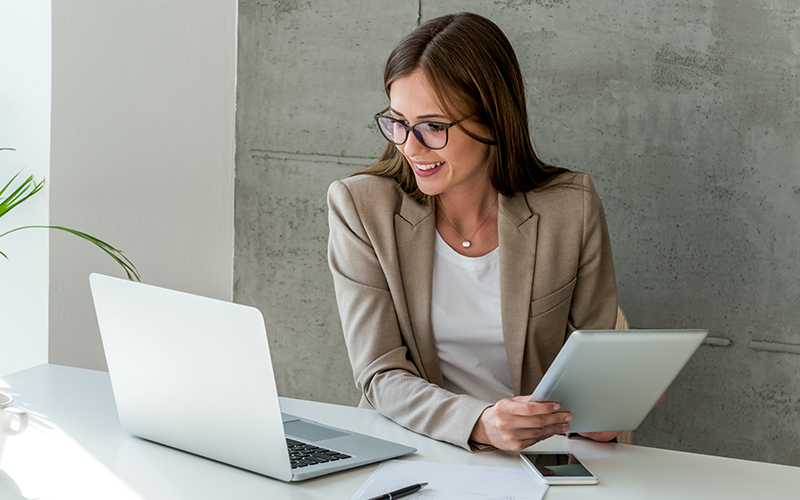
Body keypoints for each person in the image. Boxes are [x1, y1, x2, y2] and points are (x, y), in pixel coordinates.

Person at [326, 12, 621, 451]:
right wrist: (479, 422)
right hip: (415, 447)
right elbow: (379, 373)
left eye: (433, 127)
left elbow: (593, 369)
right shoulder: (361, 207)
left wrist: (604, 410)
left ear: (493, 121)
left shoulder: (570, 208)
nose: (410, 146)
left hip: (537, 457)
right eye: (398, 121)